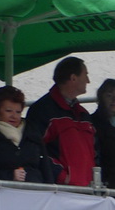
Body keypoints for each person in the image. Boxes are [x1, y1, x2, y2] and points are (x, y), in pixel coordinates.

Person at [24, 57, 96, 187]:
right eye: (86, 75)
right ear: (73, 78)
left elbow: (95, 151)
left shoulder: (83, 114)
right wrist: (62, 177)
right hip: (59, 190)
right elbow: (34, 150)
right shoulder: (42, 110)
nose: (88, 81)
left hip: (87, 190)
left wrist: (95, 177)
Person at [0, 85, 53, 184]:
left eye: (18, 112)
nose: (14, 116)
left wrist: (50, 189)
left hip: (36, 192)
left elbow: (45, 166)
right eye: (8, 111)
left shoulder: (32, 131)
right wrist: (9, 175)